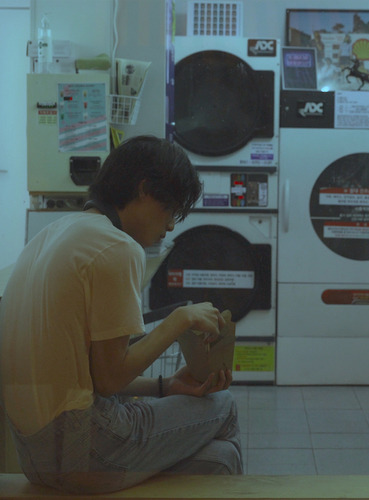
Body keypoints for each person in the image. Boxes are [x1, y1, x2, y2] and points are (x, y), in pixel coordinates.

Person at [0, 135, 243, 494]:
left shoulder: (49, 237)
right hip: (89, 447)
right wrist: (180, 319)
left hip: (35, 455)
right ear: (144, 190)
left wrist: (164, 387)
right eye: (171, 210)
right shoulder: (116, 246)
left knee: (221, 459)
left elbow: (88, 375)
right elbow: (110, 380)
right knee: (223, 405)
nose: (171, 226)